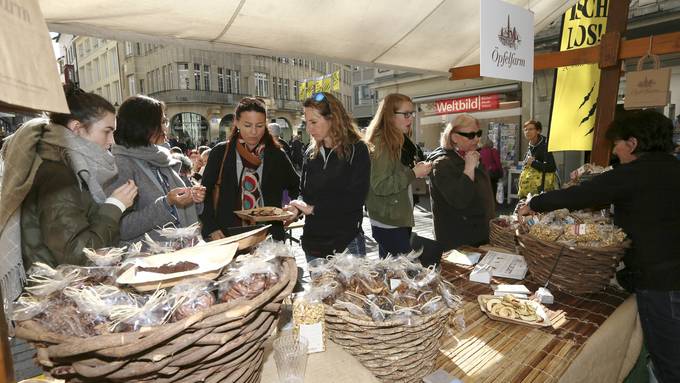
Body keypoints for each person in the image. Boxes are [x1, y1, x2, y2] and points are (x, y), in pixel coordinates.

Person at [518, 110, 680, 383]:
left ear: (633, 143)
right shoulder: (674, 168)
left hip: (662, 282)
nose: (615, 151)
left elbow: (581, 194)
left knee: (670, 362)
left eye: (617, 144)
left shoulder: (633, 174)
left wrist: (533, 205)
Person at [0, 84, 138, 303]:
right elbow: (77, 255)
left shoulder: (67, 165)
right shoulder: (58, 173)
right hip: (58, 297)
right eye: (107, 131)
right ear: (76, 128)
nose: (112, 141)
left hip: (65, 291)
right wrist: (115, 206)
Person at [108, 95, 205, 243]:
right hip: (149, 260)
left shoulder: (163, 158)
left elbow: (186, 211)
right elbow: (121, 228)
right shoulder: (122, 164)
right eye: (162, 122)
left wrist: (194, 198)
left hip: (183, 252)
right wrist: (166, 203)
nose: (166, 127)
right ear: (143, 125)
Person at [284, 92, 370, 259]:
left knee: (354, 286)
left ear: (333, 119)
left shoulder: (357, 149)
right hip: (314, 243)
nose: (308, 129)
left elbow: (355, 199)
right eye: (306, 123)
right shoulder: (310, 152)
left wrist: (313, 209)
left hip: (346, 243)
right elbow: (305, 193)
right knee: (319, 286)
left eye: (314, 122)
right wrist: (297, 209)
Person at [200, 97, 299, 241]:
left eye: (259, 126)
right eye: (247, 125)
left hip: (270, 237)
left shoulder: (276, 155)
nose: (253, 132)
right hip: (228, 236)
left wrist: (293, 209)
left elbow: (297, 187)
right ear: (237, 122)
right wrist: (211, 228)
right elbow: (204, 195)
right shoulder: (220, 153)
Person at [365, 93, 431, 258]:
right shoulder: (382, 143)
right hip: (389, 221)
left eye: (412, 113)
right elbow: (380, 185)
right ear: (390, 116)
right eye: (406, 114)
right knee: (403, 274)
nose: (411, 118)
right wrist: (414, 172)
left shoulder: (399, 140)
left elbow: (396, 174)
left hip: (396, 217)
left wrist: (415, 171)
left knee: (392, 273)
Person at [427, 114, 495, 250]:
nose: (476, 138)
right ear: (454, 137)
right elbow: (459, 200)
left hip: (481, 234)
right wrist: (469, 167)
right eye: (470, 135)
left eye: (478, 133)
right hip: (460, 241)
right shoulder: (442, 163)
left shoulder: (471, 154)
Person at [518, 120, 557, 198]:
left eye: (531, 129)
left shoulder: (544, 146)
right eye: (525, 130)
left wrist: (533, 163)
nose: (527, 132)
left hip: (542, 192)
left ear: (538, 131)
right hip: (530, 193)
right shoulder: (530, 146)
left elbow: (551, 167)